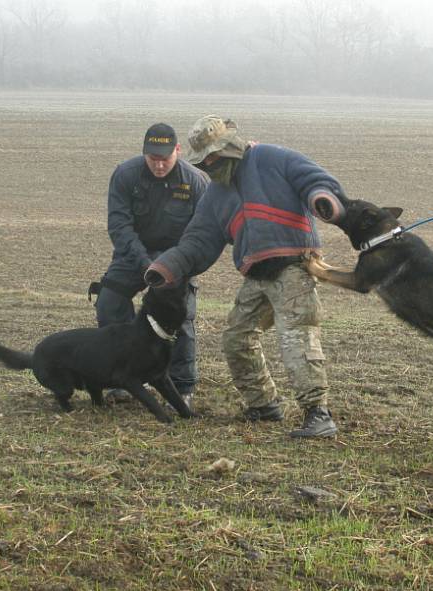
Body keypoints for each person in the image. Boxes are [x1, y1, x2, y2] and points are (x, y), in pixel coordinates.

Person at [143, 115, 347, 438]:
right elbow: (198, 241)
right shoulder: (215, 195)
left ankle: (318, 414)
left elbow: (313, 179)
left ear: (231, 146)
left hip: (294, 265)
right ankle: (263, 405)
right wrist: (166, 267)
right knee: (236, 339)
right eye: (204, 160)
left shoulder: (271, 158)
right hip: (257, 274)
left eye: (215, 156)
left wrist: (322, 200)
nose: (210, 163)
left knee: (296, 336)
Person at [95, 123, 208, 407]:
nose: (159, 165)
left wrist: (173, 265)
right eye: (152, 158)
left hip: (177, 259)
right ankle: (123, 378)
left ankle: (182, 387)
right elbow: (119, 226)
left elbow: (203, 234)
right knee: (109, 302)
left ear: (178, 151)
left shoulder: (196, 182)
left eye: (165, 158)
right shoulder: (125, 175)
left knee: (180, 316)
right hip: (133, 255)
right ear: (144, 153)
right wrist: (145, 263)